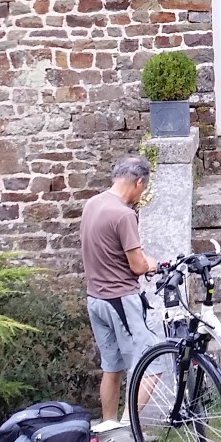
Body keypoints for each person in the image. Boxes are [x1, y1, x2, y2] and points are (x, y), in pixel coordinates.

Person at [81, 155, 160, 423]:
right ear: (139, 182)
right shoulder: (124, 215)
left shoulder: (92, 204)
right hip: (120, 300)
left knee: (112, 367)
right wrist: (153, 263)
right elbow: (137, 265)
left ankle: (108, 428)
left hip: (95, 300)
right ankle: (128, 428)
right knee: (154, 363)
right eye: (144, 187)